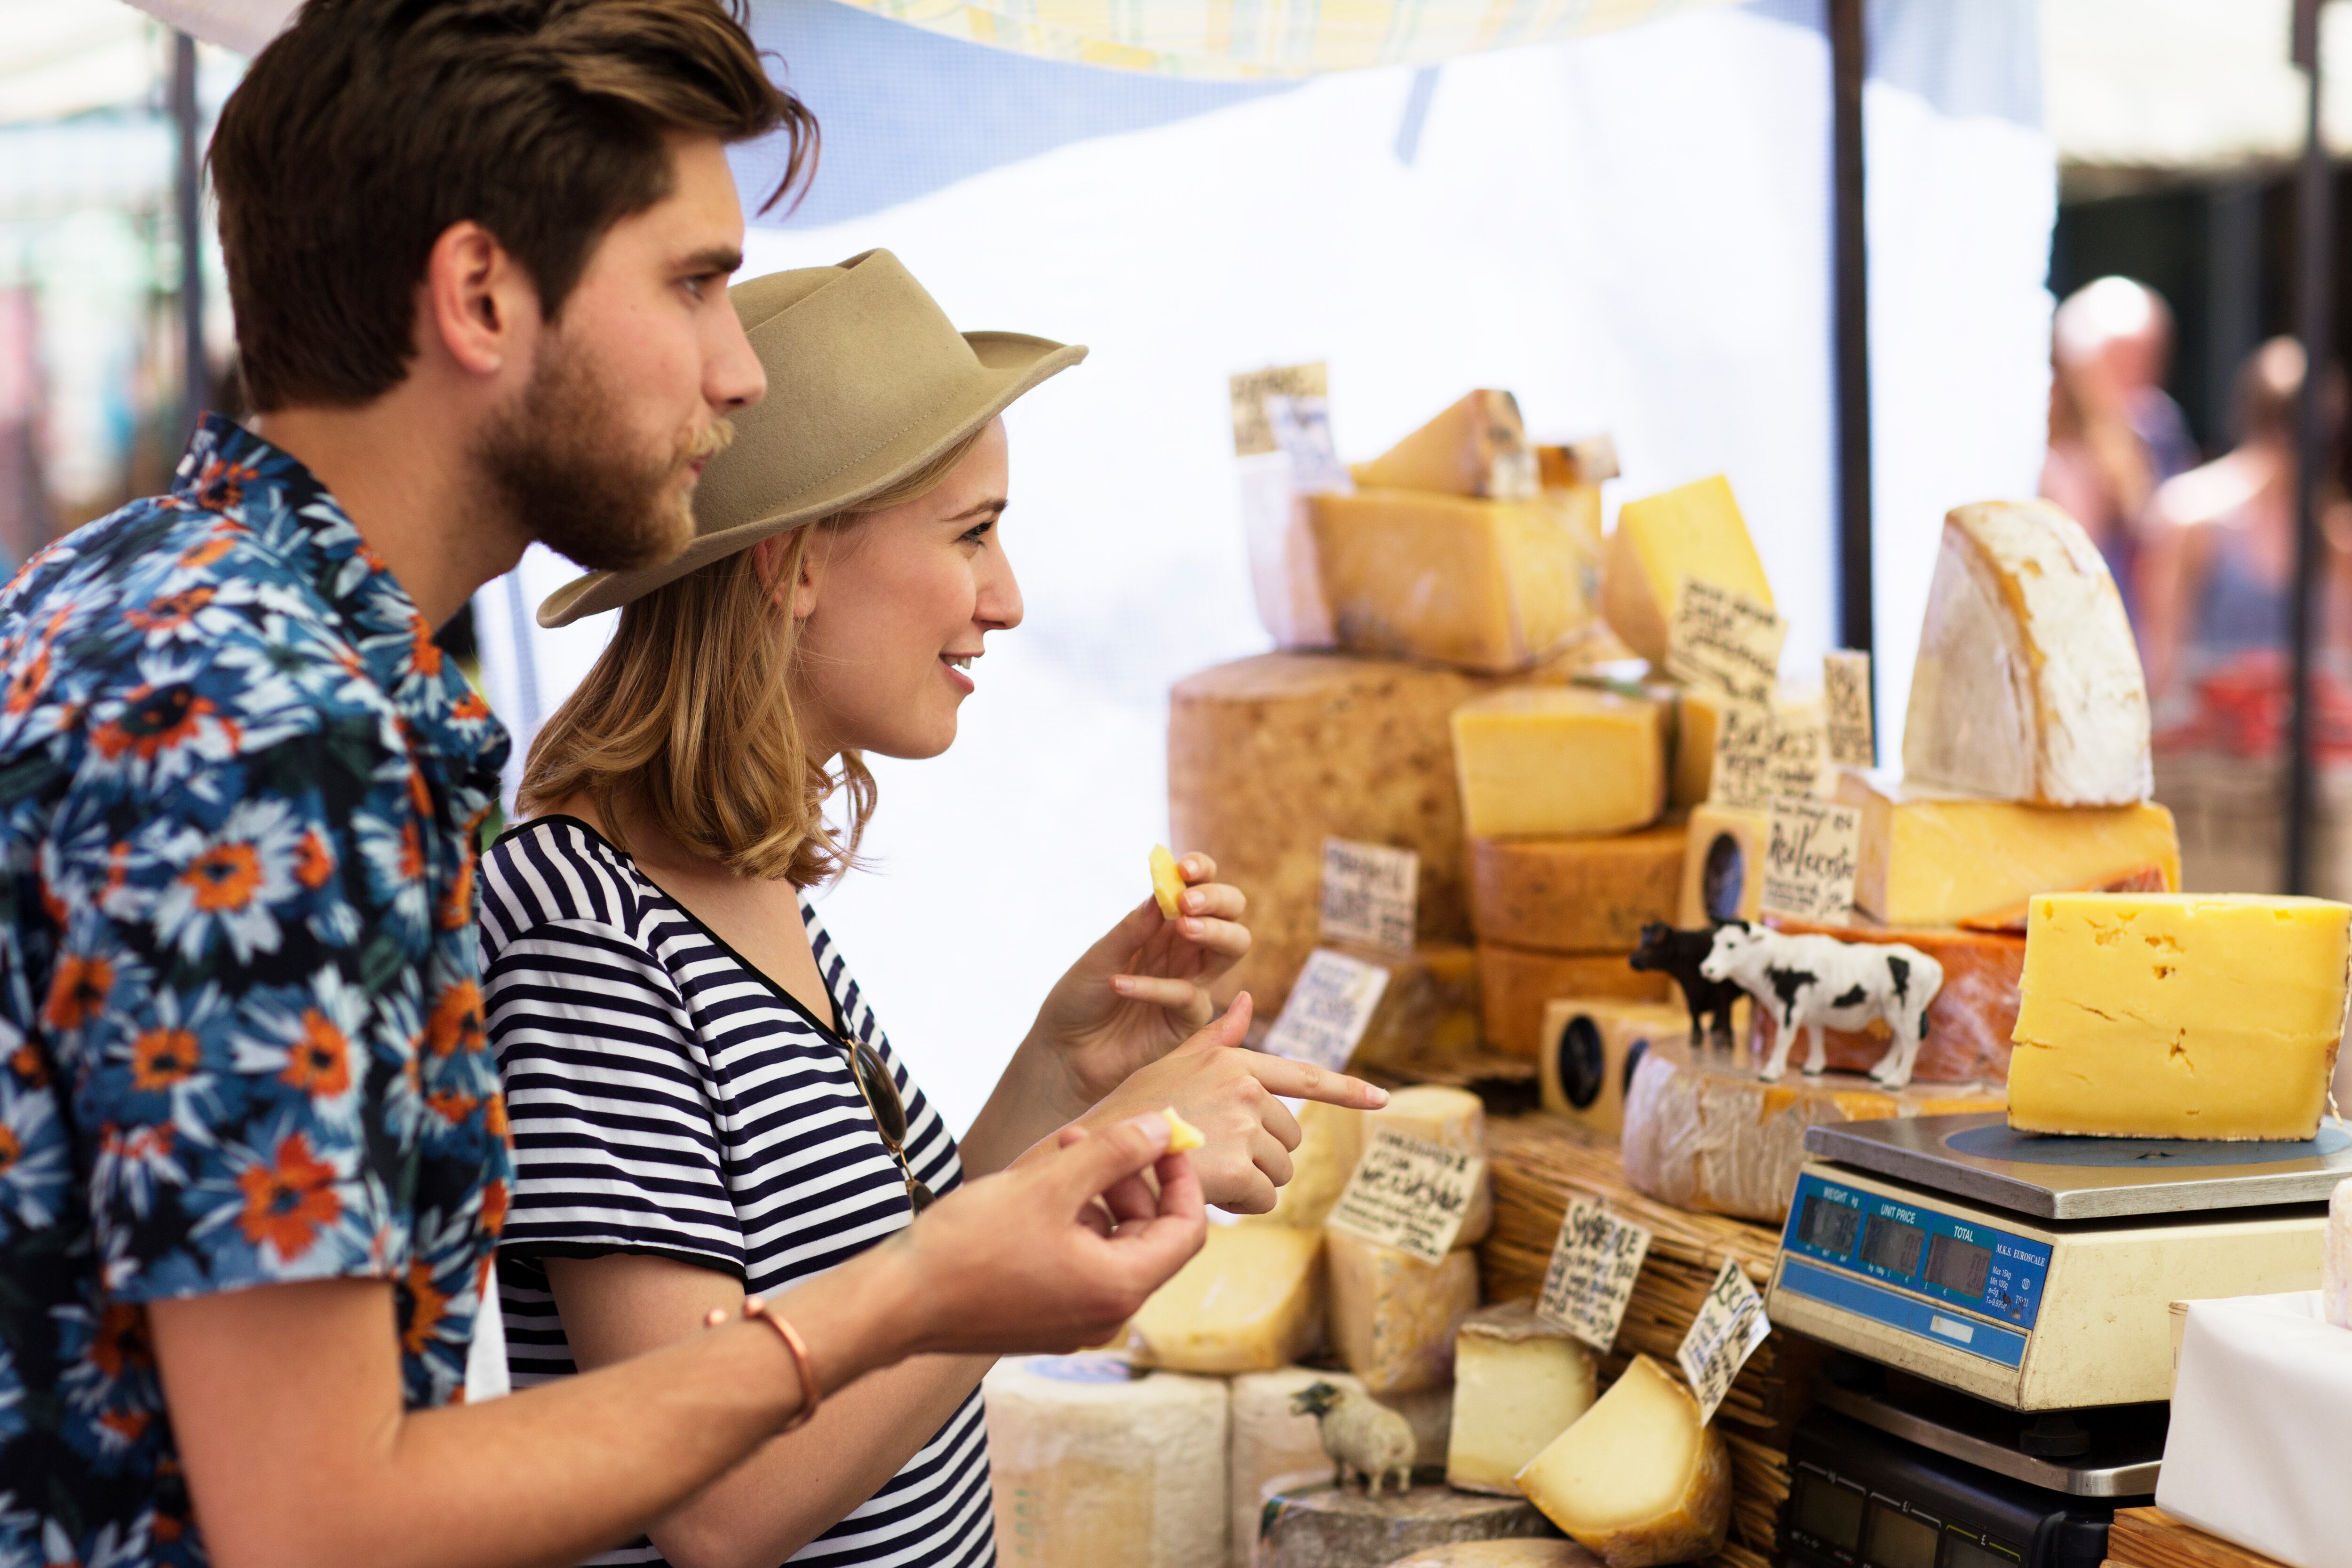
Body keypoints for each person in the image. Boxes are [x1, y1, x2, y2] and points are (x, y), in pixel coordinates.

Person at [0, 5, 1226, 1565]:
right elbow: (317, 1518)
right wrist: (922, 1291)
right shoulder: (267, 729)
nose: (741, 378)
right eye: (695, 282)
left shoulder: (149, 605)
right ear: (480, 296)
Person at [485, 252, 1389, 1568]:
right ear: (793, 564)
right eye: (972, 532)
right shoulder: (579, 916)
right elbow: (713, 1504)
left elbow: (867, 1288)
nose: (1005, 598)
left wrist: (1062, 1073)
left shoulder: (742, 881)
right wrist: (1034, 1241)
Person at [2136, 336, 2352, 711]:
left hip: (2299, 744)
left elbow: (2341, 662)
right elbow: (2159, 660)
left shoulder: (2333, 534)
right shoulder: (2191, 515)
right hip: (2208, 748)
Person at [2042, 277, 2198, 618]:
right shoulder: (2052, 441)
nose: (2140, 371)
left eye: (2150, 355)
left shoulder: (2160, 427)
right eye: (2123, 357)